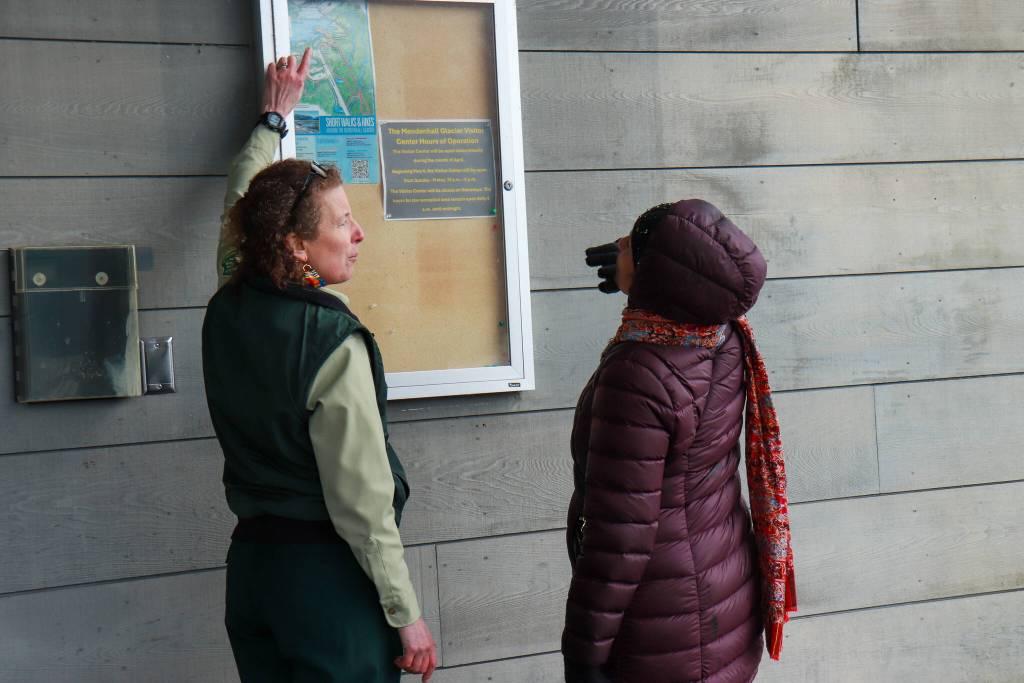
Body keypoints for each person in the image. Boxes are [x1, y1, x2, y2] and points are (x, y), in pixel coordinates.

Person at [202, 48, 437, 682]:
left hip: (252, 575)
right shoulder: (331, 342)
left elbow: (239, 205)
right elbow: (363, 501)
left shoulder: (231, 296)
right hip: (327, 583)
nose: (359, 233)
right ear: (296, 244)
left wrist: (273, 121)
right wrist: (405, 612)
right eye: (342, 221)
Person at [563, 199, 797, 683]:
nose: (620, 244)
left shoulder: (638, 372)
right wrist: (640, 271)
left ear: (657, 276)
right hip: (722, 597)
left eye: (630, 242)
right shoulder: (721, 333)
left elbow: (620, 539)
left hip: (662, 627)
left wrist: (584, 656)